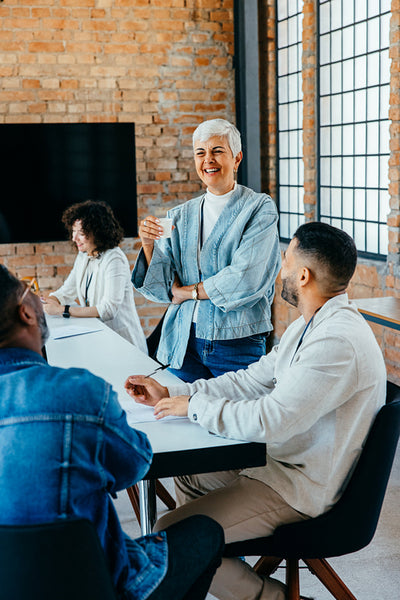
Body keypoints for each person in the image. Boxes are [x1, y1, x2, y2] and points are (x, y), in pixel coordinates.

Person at [125, 222, 387, 600]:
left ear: (303, 275)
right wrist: (174, 391)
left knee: (167, 536)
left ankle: (269, 597)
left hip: (301, 487)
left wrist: (195, 407)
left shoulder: (337, 340)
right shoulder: (309, 325)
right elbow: (250, 380)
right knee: (190, 476)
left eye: (285, 257)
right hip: (280, 464)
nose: (279, 267)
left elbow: (271, 421)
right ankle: (212, 564)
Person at [0, 264, 224, 600]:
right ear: (27, 314)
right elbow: (135, 465)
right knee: (205, 531)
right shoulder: (80, 392)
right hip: (101, 584)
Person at [132, 118, 281, 382]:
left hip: (237, 342)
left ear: (236, 159)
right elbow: (163, 287)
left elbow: (246, 278)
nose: (208, 160)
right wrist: (147, 243)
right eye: (200, 153)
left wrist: (188, 292)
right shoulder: (179, 216)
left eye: (217, 151)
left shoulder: (259, 209)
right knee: (182, 418)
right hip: (182, 341)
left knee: (237, 419)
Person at [43, 200, 147, 353]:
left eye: (81, 233)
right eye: (73, 231)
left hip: (124, 344)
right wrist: (49, 301)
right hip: (100, 338)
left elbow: (108, 309)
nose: (74, 238)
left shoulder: (114, 258)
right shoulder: (83, 255)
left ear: (97, 232)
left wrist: (61, 309)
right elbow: (67, 291)